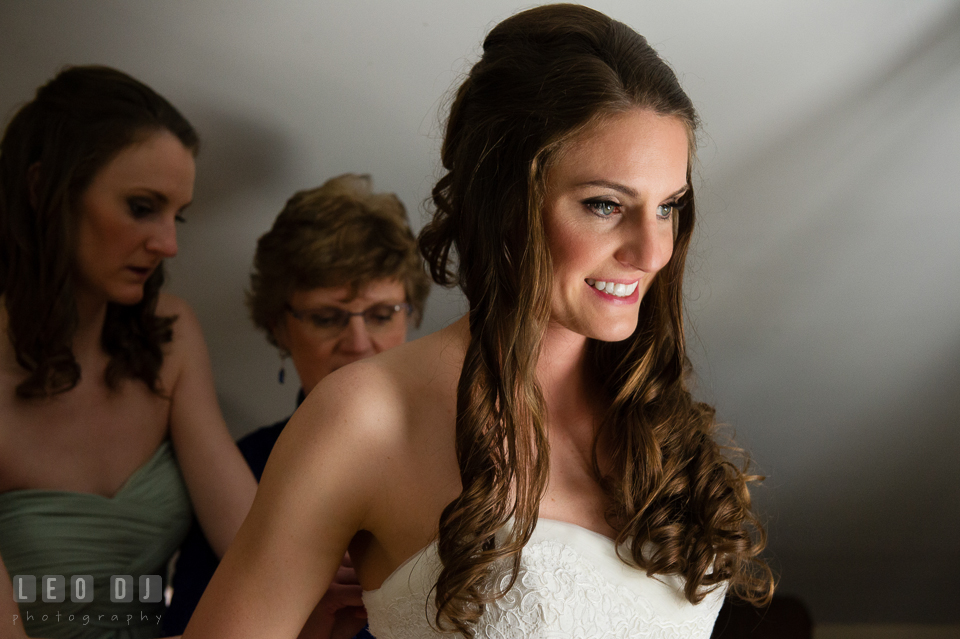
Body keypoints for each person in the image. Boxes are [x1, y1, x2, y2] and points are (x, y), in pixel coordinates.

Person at [183, 5, 774, 638]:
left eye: (668, 207)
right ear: (504, 202)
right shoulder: (364, 417)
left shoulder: (654, 417)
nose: (653, 252)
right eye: (605, 204)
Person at [0, 66, 256, 639]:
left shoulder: (171, 335)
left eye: (177, 215)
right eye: (142, 207)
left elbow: (253, 543)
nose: (168, 244)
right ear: (44, 191)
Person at [163, 173, 430, 638]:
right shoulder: (241, 471)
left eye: (383, 314)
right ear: (280, 329)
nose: (360, 344)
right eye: (328, 318)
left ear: (412, 314)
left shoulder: (464, 451)